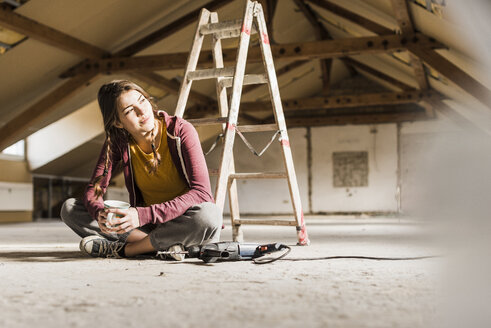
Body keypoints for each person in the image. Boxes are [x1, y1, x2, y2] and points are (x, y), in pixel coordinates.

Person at [60, 80, 222, 259]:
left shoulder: (180, 130)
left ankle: (127, 249)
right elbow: (95, 189)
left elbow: (202, 193)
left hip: (183, 222)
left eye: (142, 101)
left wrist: (141, 215)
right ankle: (160, 245)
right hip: (147, 227)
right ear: (118, 123)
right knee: (70, 209)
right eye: (129, 110)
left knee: (208, 215)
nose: (142, 111)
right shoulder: (117, 142)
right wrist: (100, 214)